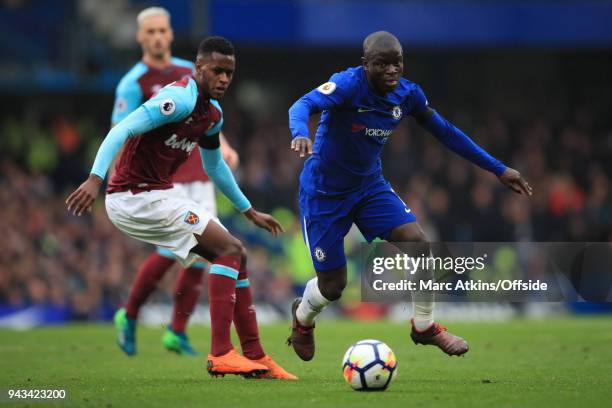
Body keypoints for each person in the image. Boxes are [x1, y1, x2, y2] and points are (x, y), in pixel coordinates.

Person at [287, 31, 532, 361]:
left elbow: (446, 132)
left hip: (369, 188)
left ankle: (424, 326)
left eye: (397, 62)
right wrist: (301, 132)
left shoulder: (407, 95)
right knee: (333, 286)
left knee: (418, 242)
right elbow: (302, 104)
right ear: (365, 65)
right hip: (324, 194)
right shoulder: (346, 85)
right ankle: (302, 320)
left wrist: (498, 168)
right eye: (382, 63)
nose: (392, 70)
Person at [67, 36, 297, 379]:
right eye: (217, 71)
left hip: (158, 194)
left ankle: (257, 357)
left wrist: (249, 211)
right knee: (229, 249)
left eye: (229, 73)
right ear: (199, 68)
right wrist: (94, 179)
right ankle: (221, 353)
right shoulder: (178, 99)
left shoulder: (212, 114)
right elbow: (122, 129)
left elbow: (215, 166)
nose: (223, 79)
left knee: (237, 255)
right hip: (132, 197)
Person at [109, 6, 240, 358]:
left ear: (169, 33)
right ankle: (130, 314)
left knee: (204, 253)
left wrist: (224, 147)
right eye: (149, 32)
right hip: (160, 179)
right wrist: (110, 181)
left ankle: (177, 331)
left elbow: (210, 118)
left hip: (199, 171)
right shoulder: (133, 83)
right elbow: (121, 132)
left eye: (162, 31)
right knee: (173, 250)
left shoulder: (191, 69)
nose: (157, 37)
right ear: (140, 37)